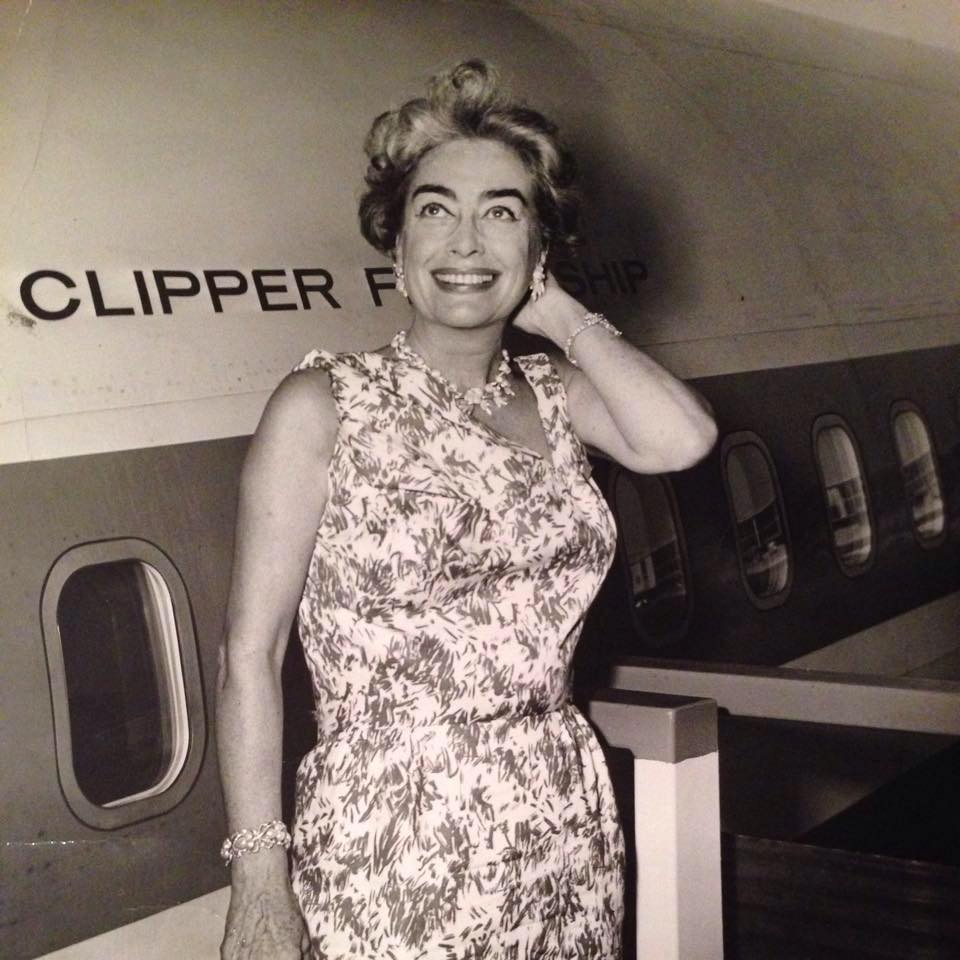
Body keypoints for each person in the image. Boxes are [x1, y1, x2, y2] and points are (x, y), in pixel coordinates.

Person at [217, 59, 717, 960]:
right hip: (390, 840)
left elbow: (680, 440)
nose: (465, 242)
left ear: (537, 247)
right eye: (435, 209)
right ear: (396, 245)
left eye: (502, 212)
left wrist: (559, 315)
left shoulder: (560, 393)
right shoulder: (323, 405)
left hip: (561, 821)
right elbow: (250, 654)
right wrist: (259, 880)